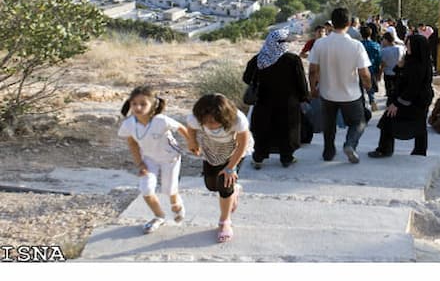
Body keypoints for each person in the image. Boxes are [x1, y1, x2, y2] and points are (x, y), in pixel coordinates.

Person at [118, 86, 190, 234]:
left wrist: (192, 143)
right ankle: (159, 216)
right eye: (134, 103)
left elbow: (182, 128)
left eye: (143, 104)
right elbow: (132, 143)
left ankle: (176, 202)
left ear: (152, 105)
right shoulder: (129, 124)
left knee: (169, 190)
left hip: (170, 158)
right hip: (149, 159)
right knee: (146, 189)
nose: (138, 107)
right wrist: (140, 163)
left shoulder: (161, 120)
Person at [308, 7, 372, 164]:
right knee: (359, 121)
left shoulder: (320, 44)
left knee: (329, 124)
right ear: (349, 23)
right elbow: (364, 73)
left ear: (332, 22)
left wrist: (313, 89)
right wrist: (368, 85)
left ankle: (328, 152)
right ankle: (350, 144)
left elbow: (312, 70)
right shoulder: (356, 45)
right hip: (350, 94)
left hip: (327, 92)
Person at [186, 94, 253, 243]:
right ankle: (234, 190)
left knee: (224, 183)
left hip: (234, 149)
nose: (210, 124)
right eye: (206, 121)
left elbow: (242, 144)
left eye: (215, 121)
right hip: (212, 148)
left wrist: (230, 168)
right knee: (211, 186)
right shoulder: (196, 117)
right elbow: (191, 128)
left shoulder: (238, 120)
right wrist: (193, 143)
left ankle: (225, 222)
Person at [243, 28, 309, 169]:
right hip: (288, 104)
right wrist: (304, 97)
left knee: (263, 131)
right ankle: (286, 158)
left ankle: (258, 158)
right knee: (287, 131)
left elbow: (247, 78)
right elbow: (301, 82)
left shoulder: (259, 59)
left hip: (264, 103)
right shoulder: (292, 60)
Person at [369, 34, 434, 158]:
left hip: (413, 100)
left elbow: (412, 87)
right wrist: (400, 66)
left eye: (409, 45)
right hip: (418, 99)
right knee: (419, 124)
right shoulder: (418, 61)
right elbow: (399, 75)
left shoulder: (417, 65)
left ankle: (384, 149)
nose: (407, 47)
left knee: (388, 118)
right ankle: (419, 151)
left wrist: (397, 103)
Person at [359, 25, 382, 112]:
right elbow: (379, 59)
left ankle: (362, 106)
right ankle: (372, 101)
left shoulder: (358, 45)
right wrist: (378, 71)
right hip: (371, 68)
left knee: (360, 88)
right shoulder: (376, 45)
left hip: (359, 69)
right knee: (370, 87)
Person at [378, 31, 404, 105]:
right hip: (399, 73)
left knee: (389, 90)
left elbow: (383, 64)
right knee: (398, 88)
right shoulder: (400, 48)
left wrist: (380, 74)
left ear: (386, 40)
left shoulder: (384, 51)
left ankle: (390, 103)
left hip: (388, 73)